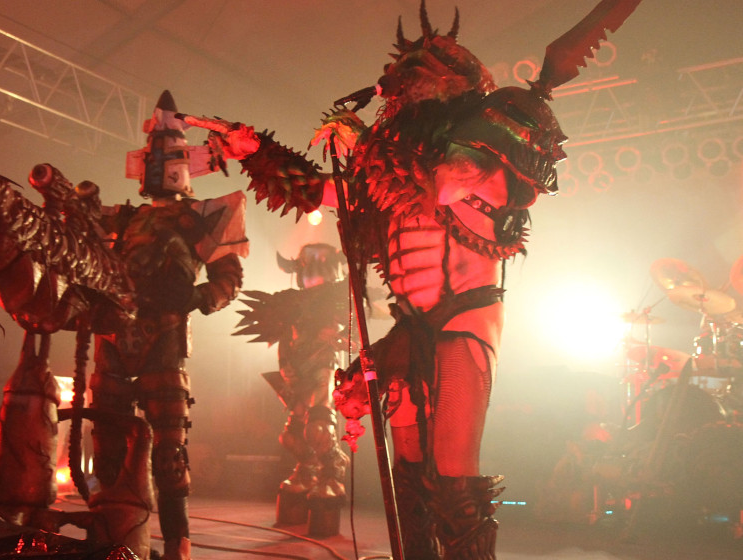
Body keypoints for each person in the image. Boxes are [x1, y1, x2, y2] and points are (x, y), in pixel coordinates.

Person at [185, 2, 640, 557]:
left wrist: (361, 142)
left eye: (429, 66)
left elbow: (445, 182)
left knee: (452, 480)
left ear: (464, 77)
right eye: (407, 71)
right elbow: (326, 191)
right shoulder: (383, 162)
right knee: (411, 477)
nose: (409, 80)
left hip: (463, 319)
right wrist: (254, 146)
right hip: (408, 326)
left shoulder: (486, 140)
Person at [87, 90, 248, 560]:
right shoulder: (124, 218)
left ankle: (178, 546)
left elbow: (229, 273)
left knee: (170, 455)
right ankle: (113, 536)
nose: (159, 162)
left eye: (168, 153)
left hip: (166, 340)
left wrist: (197, 296)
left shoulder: (198, 216)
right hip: (115, 337)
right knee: (108, 446)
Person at [233, 243, 351, 535]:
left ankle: (332, 473)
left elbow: (351, 333)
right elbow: (285, 338)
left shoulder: (339, 299)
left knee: (318, 428)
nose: (313, 272)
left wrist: (340, 336)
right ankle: (308, 471)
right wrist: (286, 366)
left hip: (324, 368)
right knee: (291, 437)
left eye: (321, 265)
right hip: (297, 373)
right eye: (308, 266)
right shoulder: (290, 304)